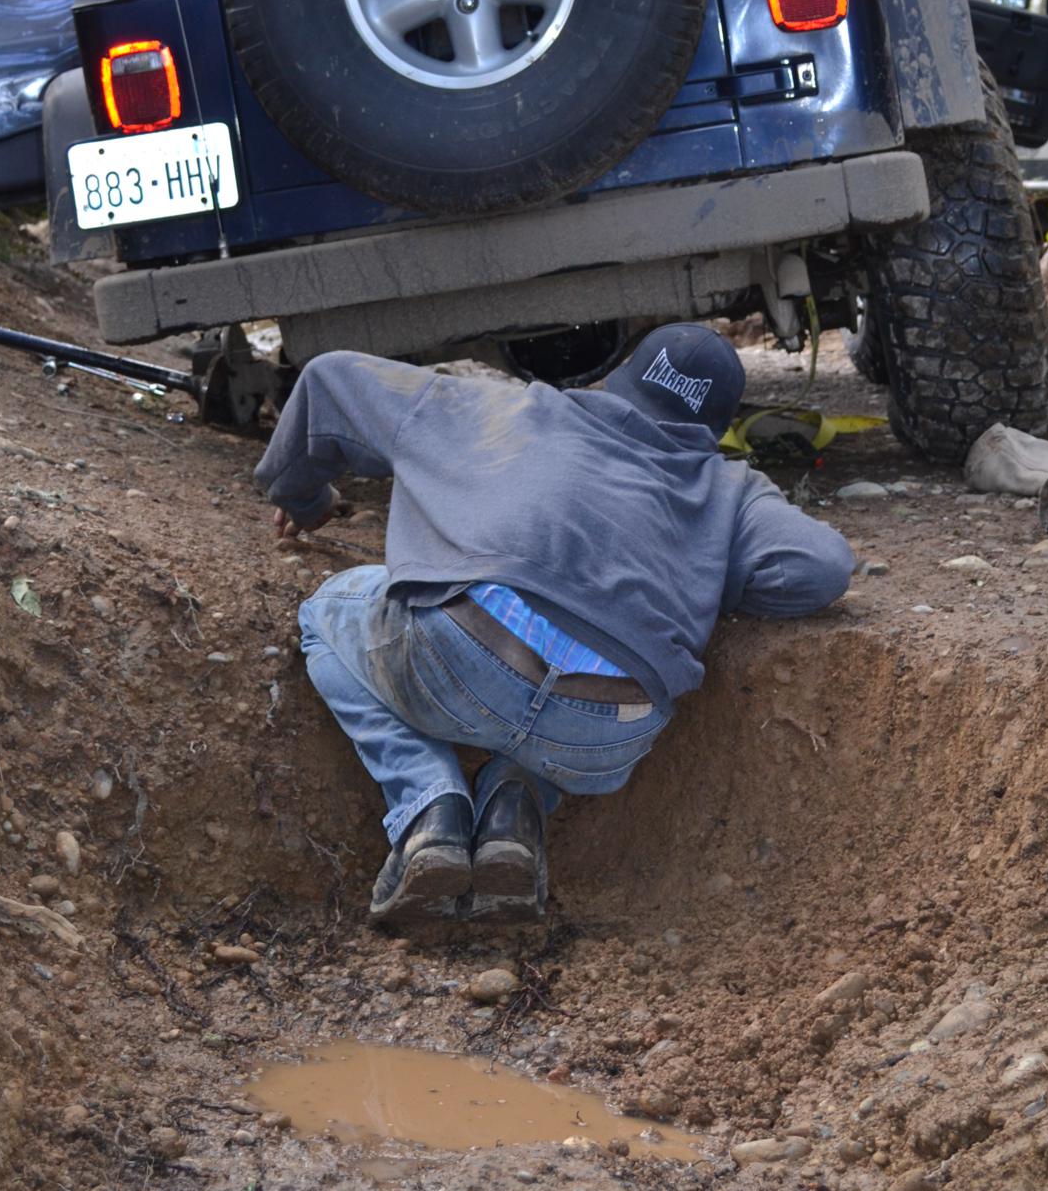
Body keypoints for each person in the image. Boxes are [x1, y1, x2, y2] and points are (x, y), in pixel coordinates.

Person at [255, 324, 854, 925]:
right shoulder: (730, 488)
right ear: (716, 429)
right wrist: (704, 574)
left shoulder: (514, 407)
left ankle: (428, 806)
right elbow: (824, 566)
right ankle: (514, 806)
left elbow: (330, 378)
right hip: (606, 735)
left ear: (614, 378)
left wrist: (305, 498)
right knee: (566, 702)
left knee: (326, 611)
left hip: (454, 663)